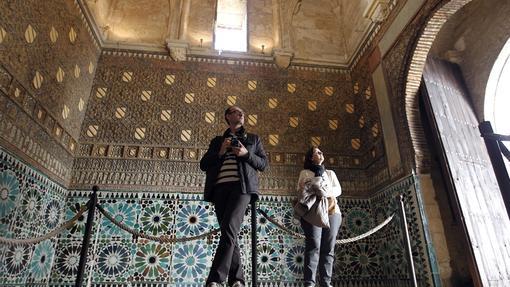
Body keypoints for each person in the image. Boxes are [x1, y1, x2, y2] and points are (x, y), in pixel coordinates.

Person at [200, 106, 268, 287]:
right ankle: (237, 279)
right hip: (220, 189)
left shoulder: (253, 139)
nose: (241, 114)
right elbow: (204, 164)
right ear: (227, 117)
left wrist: (246, 154)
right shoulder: (217, 141)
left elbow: (263, 164)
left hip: (242, 189)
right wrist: (221, 151)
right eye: (236, 112)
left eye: (242, 113)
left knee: (229, 228)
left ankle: (215, 279)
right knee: (229, 233)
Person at [295, 147, 342, 287]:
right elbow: (302, 190)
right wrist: (322, 189)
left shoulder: (330, 173)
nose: (321, 153)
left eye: (322, 151)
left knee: (328, 248)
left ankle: (326, 283)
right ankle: (309, 283)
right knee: (313, 246)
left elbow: (337, 190)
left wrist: (319, 189)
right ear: (310, 157)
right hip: (312, 213)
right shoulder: (305, 173)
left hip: (332, 212)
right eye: (317, 152)